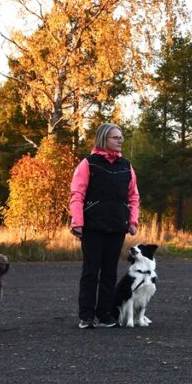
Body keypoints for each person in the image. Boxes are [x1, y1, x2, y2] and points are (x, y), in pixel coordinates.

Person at [69, 123, 140, 329]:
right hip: (93, 226)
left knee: (110, 272)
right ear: (103, 139)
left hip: (117, 226)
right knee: (91, 271)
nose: (120, 140)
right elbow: (77, 194)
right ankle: (87, 316)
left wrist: (132, 221)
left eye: (121, 137)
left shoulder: (126, 166)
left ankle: (105, 314)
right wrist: (77, 222)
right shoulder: (88, 164)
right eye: (115, 137)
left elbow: (133, 196)